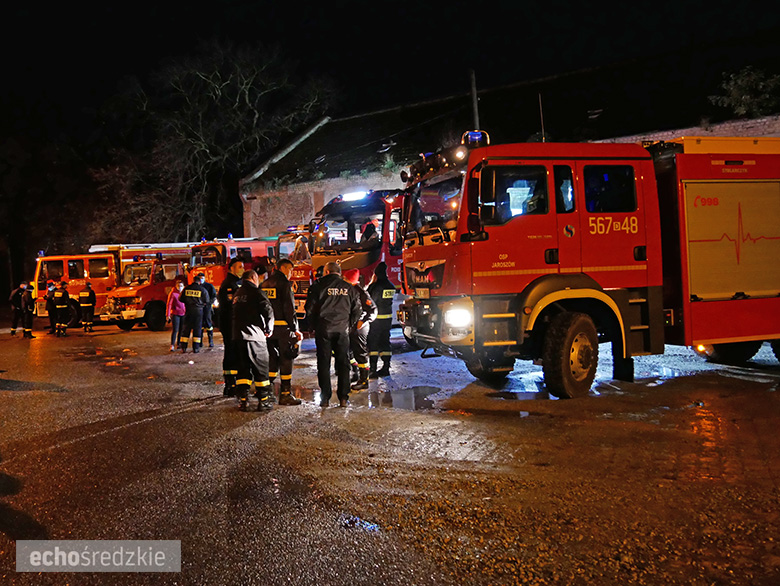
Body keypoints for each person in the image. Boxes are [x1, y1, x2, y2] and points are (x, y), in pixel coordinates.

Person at [304, 261, 361, 408]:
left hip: (324, 329)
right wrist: (349, 325)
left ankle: (325, 398)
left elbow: (309, 309)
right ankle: (343, 398)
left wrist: (313, 326)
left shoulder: (317, 286)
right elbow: (357, 310)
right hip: (342, 330)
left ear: (327, 272)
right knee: (343, 363)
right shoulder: (349, 288)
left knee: (323, 364)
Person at [261, 259, 303, 406]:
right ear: (284, 268)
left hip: (267, 330)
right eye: (290, 270)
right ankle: (285, 394)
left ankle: (267, 391)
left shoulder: (264, 284)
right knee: (286, 359)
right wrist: (295, 329)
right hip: (283, 328)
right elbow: (289, 309)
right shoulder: (285, 284)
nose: (291, 273)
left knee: (272, 359)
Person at [232, 269, 274, 412]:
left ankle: (243, 401)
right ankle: (264, 401)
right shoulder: (257, 293)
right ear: (253, 278)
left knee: (242, 370)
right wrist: (269, 329)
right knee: (261, 369)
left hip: (238, 337)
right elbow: (268, 311)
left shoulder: (237, 294)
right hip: (255, 337)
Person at [343, 269, 377, 391]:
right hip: (350, 326)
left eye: (345, 279)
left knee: (360, 352)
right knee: (349, 352)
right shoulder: (347, 290)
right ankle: (356, 373)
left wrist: (363, 321)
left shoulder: (361, 292)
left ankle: (364, 380)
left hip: (359, 328)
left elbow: (373, 309)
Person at [217, 258, 244, 396]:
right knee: (231, 353)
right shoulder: (229, 284)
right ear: (231, 268)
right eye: (239, 266)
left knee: (235, 353)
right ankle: (230, 384)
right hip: (230, 324)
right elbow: (230, 307)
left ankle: (233, 383)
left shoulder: (236, 283)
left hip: (234, 325)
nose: (242, 269)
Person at [367, 262, 396, 378]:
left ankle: (373, 370)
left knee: (373, 344)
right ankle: (386, 367)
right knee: (385, 342)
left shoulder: (375, 286)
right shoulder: (390, 285)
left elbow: (369, 300)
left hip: (376, 320)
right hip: (387, 319)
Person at [180, 276, 209, 353]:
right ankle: (196, 348)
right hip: (198, 311)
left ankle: (183, 347)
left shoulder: (186, 288)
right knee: (197, 329)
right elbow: (207, 300)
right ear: (199, 282)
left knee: (186, 328)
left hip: (188, 310)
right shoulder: (202, 290)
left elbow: (180, 298)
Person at [198, 274, 218, 348]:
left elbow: (214, 296)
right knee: (200, 325)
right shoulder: (197, 287)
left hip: (207, 308)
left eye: (202, 278)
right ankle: (200, 342)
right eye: (200, 278)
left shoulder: (209, 286)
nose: (201, 279)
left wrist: (209, 303)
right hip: (199, 308)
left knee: (208, 324)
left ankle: (211, 341)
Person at [166, 280, 186, 351]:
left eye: (181, 286)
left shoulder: (184, 293)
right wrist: (168, 315)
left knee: (181, 329)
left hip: (183, 314)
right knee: (175, 329)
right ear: (176, 286)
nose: (180, 287)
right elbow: (169, 304)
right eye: (179, 286)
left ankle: (179, 344)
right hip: (175, 314)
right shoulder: (173, 293)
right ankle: (172, 345)